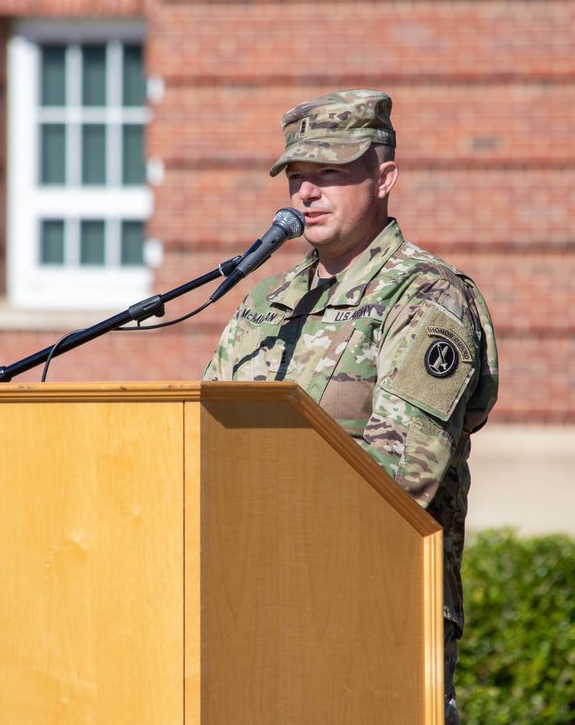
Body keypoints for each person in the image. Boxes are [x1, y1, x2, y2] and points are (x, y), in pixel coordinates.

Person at [203, 89, 499, 723]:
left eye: (330, 173)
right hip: (253, 610)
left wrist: (260, 516)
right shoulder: (265, 305)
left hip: (373, 609)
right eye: (298, 177)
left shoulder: (426, 298)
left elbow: (402, 475)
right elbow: (201, 440)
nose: (307, 193)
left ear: (385, 178)